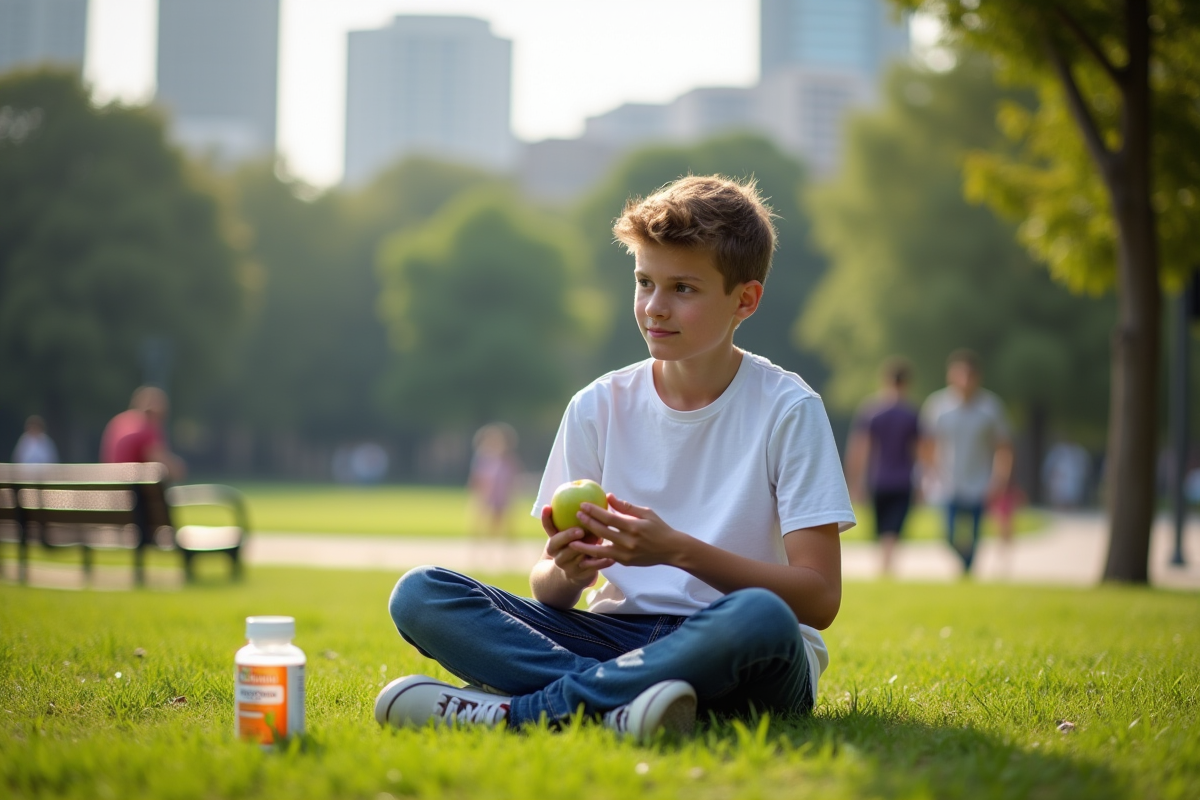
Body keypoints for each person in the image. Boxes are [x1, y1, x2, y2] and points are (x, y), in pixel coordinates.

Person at [376, 176, 855, 741]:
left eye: (683, 288)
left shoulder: (789, 409)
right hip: (615, 636)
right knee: (422, 593)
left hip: (739, 649)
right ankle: (628, 705)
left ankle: (524, 714)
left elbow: (819, 598)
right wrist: (567, 571)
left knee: (763, 616)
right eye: (644, 282)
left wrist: (676, 550)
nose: (655, 307)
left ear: (744, 300)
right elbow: (549, 589)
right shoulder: (597, 406)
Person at [919, 350, 1012, 576]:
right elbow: (926, 444)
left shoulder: (990, 408)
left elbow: (1003, 447)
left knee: (975, 535)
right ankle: (965, 565)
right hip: (948, 482)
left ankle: (967, 572)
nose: (965, 380)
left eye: (969, 375)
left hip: (980, 482)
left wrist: (999, 479)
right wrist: (930, 472)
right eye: (960, 374)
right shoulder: (938, 405)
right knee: (949, 535)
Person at [844, 358, 920, 577]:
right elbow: (920, 450)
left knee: (883, 527)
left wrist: (855, 481)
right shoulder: (911, 413)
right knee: (893, 528)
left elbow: (860, 449)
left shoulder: (872, 412)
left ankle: (885, 567)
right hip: (903, 479)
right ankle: (888, 566)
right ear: (907, 383)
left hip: (879, 479)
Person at [99, 386, 186, 481]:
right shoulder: (146, 427)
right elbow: (166, 465)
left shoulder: (118, 421)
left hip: (111, 487)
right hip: (132, 490)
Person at [467, 422, 522, 539]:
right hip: (485, 495)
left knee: (503, 524)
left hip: (501, 496)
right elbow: (477, 478)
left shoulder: (506, 459)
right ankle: (478, 550)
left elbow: (512, 477)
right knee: (479, 522)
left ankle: (507, 552)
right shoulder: (483, 458)